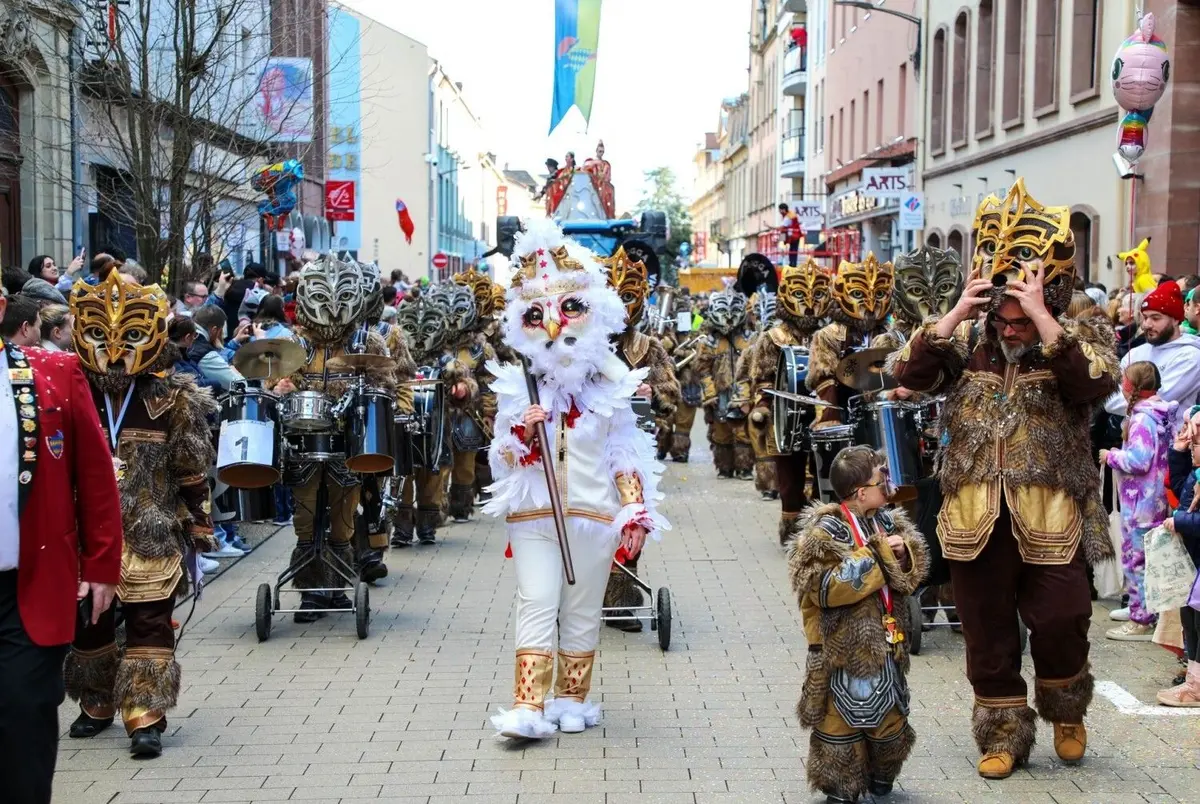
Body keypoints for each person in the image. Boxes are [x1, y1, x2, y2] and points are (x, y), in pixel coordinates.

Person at [889, 178, 1119, 780]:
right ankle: (1002, 733)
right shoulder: (967, 340)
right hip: (974, 516)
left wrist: (1043, 318)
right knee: (986, 634)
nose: (1011, 329)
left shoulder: (1078, 336)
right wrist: (958, 311)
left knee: (1063, 620)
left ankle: (1067, 713)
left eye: (1021, 318)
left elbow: (1094, 385)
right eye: (1006, 318)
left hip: (1053, 516)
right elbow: (910, 371)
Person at [483, 218, 668, 740]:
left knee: (584, 608)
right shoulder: (519, 385)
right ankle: (527, 705)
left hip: (592, 518)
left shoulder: (611, 386)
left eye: (569, 308)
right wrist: (521, 431)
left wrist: (634, 510)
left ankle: (572, 699)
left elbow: (624, 454)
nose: (555, 325)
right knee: (538, 601)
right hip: (535, 516)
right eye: (539, 313)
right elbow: (500, 457)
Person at [63, 268, 217, 759]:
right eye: (98, 335)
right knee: (89, 622)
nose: (112, 351)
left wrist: (199, 520)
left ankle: (144, 714)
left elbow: (192, 466)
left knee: (150, 621)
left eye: (128, 336)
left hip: (151, 527)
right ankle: (97, 702)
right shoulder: (69, 392)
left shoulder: (171, 397)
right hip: (85, 532)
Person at [0, 293, 123, 804]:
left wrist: (101, 564)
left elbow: (95, 476)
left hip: (26, 584)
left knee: (25, 715)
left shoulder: (53, 371)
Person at [788, 446, 928, 804]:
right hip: (839, 652)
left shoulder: (886, 520)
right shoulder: (825, 530)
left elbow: (912, 577)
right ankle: (840, 785)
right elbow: (822, 588)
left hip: (887, 644)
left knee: (890, 722)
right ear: (860, 491)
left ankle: (882, 775)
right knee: (840, 723)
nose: (889, 484)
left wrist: (904, 553)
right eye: (882, 478)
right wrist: (880, 554)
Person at [271, 255, 403, 620]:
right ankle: (311, 593)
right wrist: (279, 386)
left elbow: (387, 388)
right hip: (304, 441)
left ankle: (339, 585)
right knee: (307, 516)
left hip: (349, 444)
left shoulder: (368, 342)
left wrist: (371, 391)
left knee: (343, 517)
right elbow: (271, 382)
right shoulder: (294, 343)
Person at [602, 246, 680, 630]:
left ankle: (619, 600)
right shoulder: (576, 343)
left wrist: (653, 394)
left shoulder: (648, 348)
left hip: (631, 447)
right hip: (584, 447)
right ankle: (579, 596)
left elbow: (671, 399)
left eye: (627, 296)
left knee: (632, 517)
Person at [735, 258, 831, 538]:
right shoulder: (773, 337)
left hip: (822, 415)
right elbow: (762, 377)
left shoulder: (828, 335)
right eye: (802, 295)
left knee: (821, 472)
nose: (810, 304)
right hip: (784, 417)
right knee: (789, 480)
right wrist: (762, 405)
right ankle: (791, 529)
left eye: (818, 295)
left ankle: (818, 528)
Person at [1101, 361, 1174, 641]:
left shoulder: (1143, 419)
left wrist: (1112, 456)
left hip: (1140, 502)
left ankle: (1140, 620)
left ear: (1132, 386)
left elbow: (1139, 460)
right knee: (1145, 559)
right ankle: (1139, 607)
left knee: (1136, 560)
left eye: (1124, 379)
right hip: (1153, 499)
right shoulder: (1160, 412)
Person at [807, 253, 899, 431]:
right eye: (858, 293)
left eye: (880, 293)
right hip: (848, 417)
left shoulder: (892, 333)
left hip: (890, 414)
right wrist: (831, 422)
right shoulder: (829, 335)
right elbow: (824, 380)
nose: (871, 304)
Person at [1104, 280, 1200, 431]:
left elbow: (1161, 400)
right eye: (1145, 317)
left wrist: (1131, 397)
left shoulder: (1191, 356)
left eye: (1155, 318)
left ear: (1175, 319)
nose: (1146, 324)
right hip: (1131, 445)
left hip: (1169, 448)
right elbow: (1108, 399)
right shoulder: (1136, 352)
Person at [1160, 410, 1200, 706]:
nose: (1189, 436)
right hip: (1195, 562)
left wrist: (1182, 522)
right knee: (1190, 617)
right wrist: (1179, 451)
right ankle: (1193, 680)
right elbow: (1178, 486)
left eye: (1194, 431)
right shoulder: (1196, 473)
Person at [694, 288, 753, 479]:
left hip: (743, 391)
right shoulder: (710, 342)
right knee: (721, 432)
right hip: (720, 393)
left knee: (744, 433)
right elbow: (702, 370)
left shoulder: (749, 339)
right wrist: (709, 393)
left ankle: (744, 468)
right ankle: (724, 467)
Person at [778, 203, 802, 268]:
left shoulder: (788, 217)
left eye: (780, 210)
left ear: (783, 209)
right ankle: (792, 264)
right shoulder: (790, 214)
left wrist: (769, 226)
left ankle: (792, 264)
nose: (779, 212)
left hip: (793, 235)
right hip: (793, 235)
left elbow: (782, 227)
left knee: (792, 250)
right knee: (793, 250)